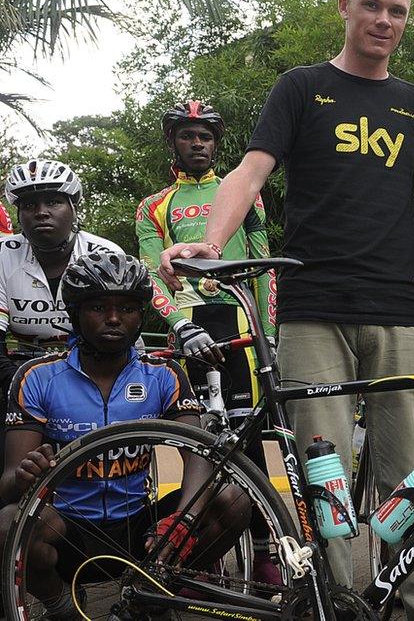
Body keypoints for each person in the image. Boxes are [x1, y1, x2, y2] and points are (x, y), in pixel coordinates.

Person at [156, 0, 414, 615]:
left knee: (410, 482)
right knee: (326, 482)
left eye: (397, 11)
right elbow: (251, 170)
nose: (384, 20)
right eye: (371, 5)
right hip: (313, 310)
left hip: (399, 315)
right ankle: (335, 603)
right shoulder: (301, 86)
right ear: (343, 7)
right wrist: (211, 241)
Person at [0, 252, 250, 619]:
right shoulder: (36, 376)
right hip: (67, 531)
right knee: (7, 523)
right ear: (75, 313)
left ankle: (150, 595)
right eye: (99, 306)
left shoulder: (163, 374)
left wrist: (182, 522)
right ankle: (61, 605)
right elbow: (6, 485)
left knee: (233, 500)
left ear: (141, 315)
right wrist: (24, 476)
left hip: (141, 532)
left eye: (128, 308)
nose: (115, 318)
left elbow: (199, 455)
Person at [136, 99, 280, 585]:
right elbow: (154, 276)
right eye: (187, 135)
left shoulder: (241, 193)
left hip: (239, 322)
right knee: (197, 443)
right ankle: (207, 550)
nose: (197, 143)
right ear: (172, 142)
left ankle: (265, 552)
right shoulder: (154, 206)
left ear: (217, 143)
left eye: (206, 136)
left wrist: (270, 333)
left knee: (251, 441)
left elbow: (263, 264)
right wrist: (179, 324)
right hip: (190, 326)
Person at [0, 160, 124, 439]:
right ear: (18, 214)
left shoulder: (104, 253)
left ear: (73, 209)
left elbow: (118, 331)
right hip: (20, 366)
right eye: (29, 205)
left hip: (94, 363)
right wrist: (19, 383)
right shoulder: (3, 255)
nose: (41, 212)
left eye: (54, 202)